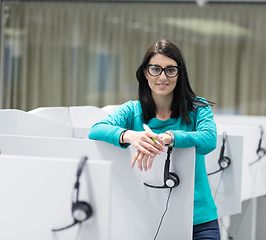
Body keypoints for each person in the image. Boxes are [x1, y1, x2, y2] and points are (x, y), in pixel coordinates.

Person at [89, 39, 220, 239]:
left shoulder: (197, 108)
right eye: (155, 69)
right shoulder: (132, 111)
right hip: (146, 219)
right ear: (145, 73)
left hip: (198, 219)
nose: (162, 77)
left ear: (179, 74)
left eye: (170, 70)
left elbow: (209, 140)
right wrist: (130, 135)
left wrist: (170, 138)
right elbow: (96, 130)